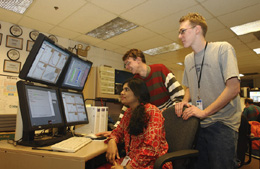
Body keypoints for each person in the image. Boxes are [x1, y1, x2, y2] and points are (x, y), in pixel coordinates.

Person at [175, 13, 241, 169]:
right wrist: (184, 101)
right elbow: (190, 87)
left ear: (197, 29)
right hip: (200, 124)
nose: (179, 36)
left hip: (223, 123)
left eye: (183, 31)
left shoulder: (222, 49)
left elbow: (233, 88)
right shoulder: (188, 59)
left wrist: (204, 112)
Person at [97, 49, 184, 137]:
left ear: (138, 60)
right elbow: (128, 107)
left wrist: (168, 112)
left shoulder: (160, 69)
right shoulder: (136, 81)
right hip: (152, 123)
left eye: (128, 63)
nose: (127, 67)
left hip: (169, 119)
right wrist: (115, 131)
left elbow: (180, 96)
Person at [101, 78, 172, 169]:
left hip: (153, 164)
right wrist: (112, 141)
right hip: (132, 161)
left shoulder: (152, 112)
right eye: (122, 89)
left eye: (126, 89)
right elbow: (117, 132)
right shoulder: (128, 113)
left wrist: (127, 168)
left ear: (138, 93)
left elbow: (151, 148)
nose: (122, 92)